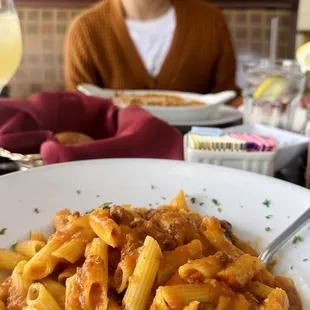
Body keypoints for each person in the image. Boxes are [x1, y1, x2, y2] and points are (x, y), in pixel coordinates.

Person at [64, 0, 242, 106]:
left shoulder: (210, 21)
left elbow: (226, 100)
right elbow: (81, 110)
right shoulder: (85, 30)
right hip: (113, 156)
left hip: (194, 156)